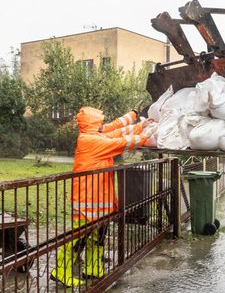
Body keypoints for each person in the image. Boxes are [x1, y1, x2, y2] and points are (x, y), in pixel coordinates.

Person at [50, 107, 155, 287]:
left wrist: (141, 126)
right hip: (87, 202)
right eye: (99, 122)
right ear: (92, 123)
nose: (102, 124)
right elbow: (119, 143)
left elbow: (116, 133)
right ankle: (60, 270)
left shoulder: (95, 137)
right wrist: (145, 139)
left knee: (98, 237)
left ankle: (93, 268)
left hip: (98, 201)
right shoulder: (90, 140)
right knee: (78, 239)